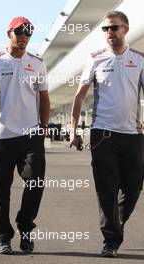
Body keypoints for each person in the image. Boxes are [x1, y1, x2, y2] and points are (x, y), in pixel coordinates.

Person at [70, 11, 144, 257]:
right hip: (103, 135)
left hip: (133, 135)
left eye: (114, 28)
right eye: (105, 29)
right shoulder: (95, 59)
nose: (109, 33)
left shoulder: (139, 59)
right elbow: (80, 95)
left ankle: (116, 224)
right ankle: (110, 240)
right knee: (107, 190)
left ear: (126, 29)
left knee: (133, 188)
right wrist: (73, 129)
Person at [0, 16, 50, 254]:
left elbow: (45, 97)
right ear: (9, 33)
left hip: (31, 135)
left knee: (35, 183)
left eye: (28, 33)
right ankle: (2, 237)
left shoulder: (37, 63)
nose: (24, 37)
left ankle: (26, 228)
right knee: (0, 189)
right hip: (2, 135)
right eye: (19, 32)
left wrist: (44, 125)